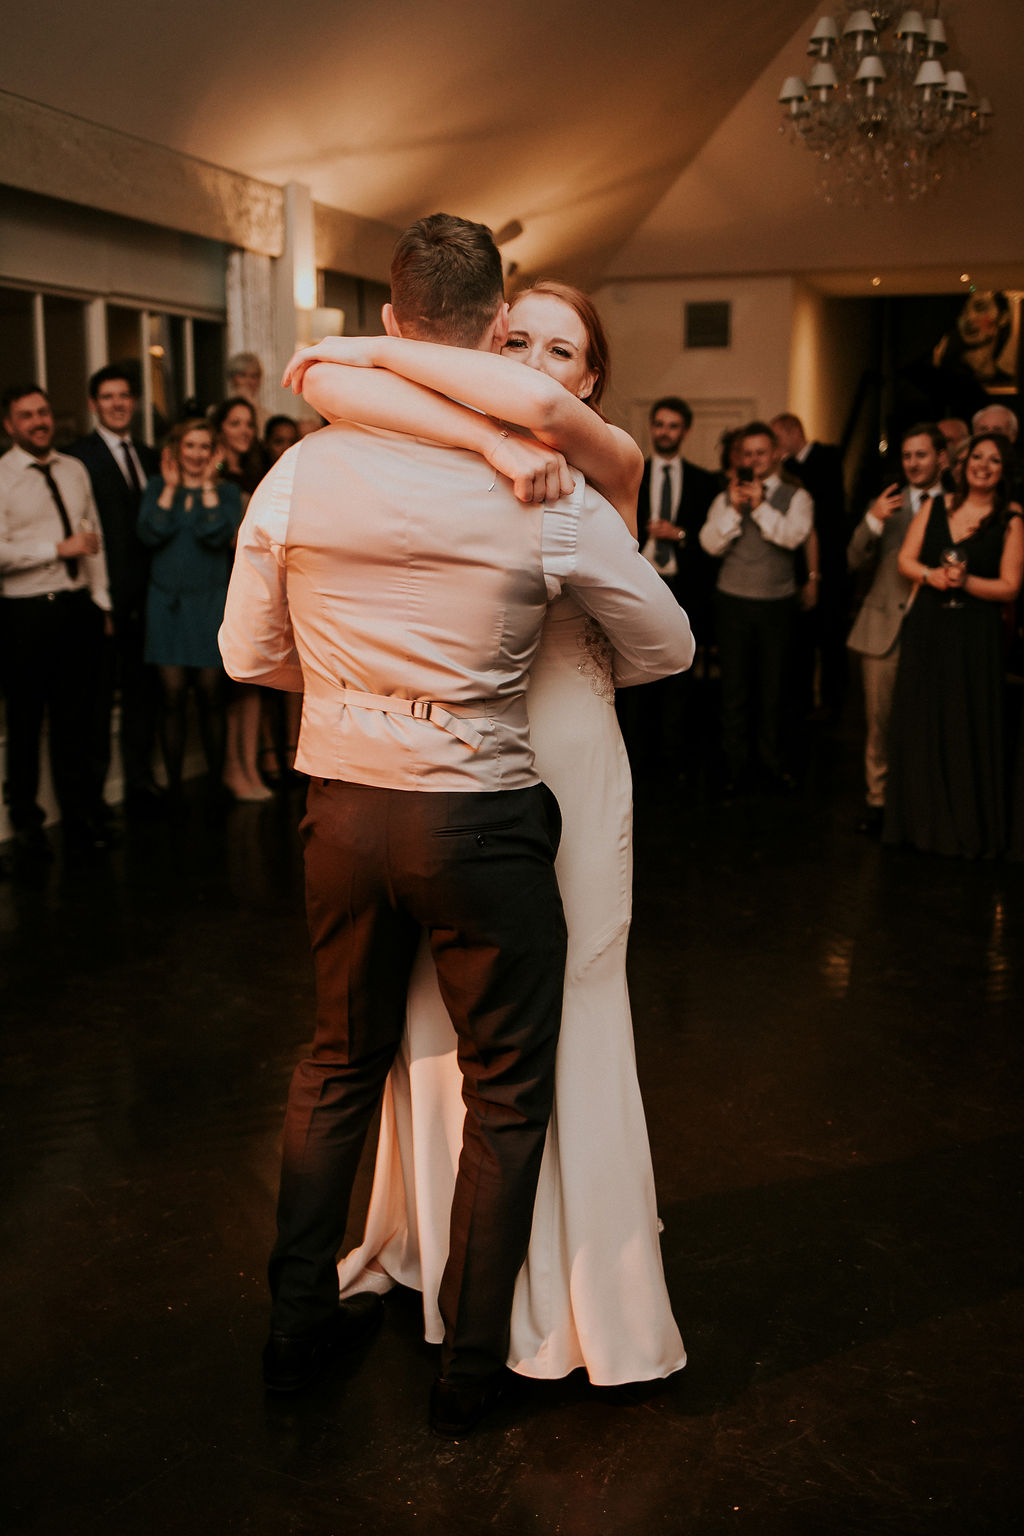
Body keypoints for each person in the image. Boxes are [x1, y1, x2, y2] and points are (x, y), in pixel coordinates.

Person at [220, 214, 694, 1437]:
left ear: (393, 322)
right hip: (479, 815)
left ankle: (294, 1327)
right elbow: (667, 643)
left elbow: (246, 654)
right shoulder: (544, 495)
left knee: (338, 1062)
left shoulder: (297, 472)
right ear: (491, 335)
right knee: (506, 1087)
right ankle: (471, 1371)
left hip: (340, 808)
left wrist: (356, 694)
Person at [884, 432, 1024, 857]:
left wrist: (967, 582)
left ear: (1004, 471)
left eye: (994, 460)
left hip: (975, 635)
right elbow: (905, 560)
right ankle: (919, 826)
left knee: (966, 723)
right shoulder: (935, 505)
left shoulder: (1011, 519)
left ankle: (964, 829)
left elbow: (1010, 586)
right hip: (928, 626)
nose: (983, 465)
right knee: (921, 720)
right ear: (963, 465)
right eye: (977, 457)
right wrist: (933, 577)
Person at [0, 384, 112, 862]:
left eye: (43, 412)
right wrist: (55, 550)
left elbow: (93, 536)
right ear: (9, 425)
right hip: (24, 613)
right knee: (26, 722)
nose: (39, 421)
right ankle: (27, 825)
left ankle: (79, 817)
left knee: (75, 722)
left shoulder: (74, 469)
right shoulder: (2, 477)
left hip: (76, 609)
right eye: (27, 415)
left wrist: (101, 602)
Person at [67, 365, 163, 818]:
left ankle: (140, 783)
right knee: (98, 703)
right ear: (93, 405)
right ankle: (94, 801)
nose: (118, 403)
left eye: (124, 395)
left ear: (135, 402)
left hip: (150, 600)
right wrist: (99, 600)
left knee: (145, 697)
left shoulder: (150, 456)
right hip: (104, 601)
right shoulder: (77, 458)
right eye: (108, 397)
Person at [699, 421, 813, 793]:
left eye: (761, 452)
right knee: (734, 690)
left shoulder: (797, 496)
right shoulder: (725, 498)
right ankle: (734, 767)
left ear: (776, 453)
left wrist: (760, 506)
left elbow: (793, 537)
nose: (753, 460)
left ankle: (772, 764)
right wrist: (735, 509)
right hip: (732, 602)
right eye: (747, 454)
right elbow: (709, 544)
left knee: (773, 689)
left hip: (777, 605)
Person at [846, 424, 947, 835]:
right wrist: (872, 520)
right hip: (883, 626)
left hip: (935, 625)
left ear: (942, 458)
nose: (913, 463)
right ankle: (878, 801)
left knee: (928, 719)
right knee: (880, 722)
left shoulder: (956, 505)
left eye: (921, 455)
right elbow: (853, 559)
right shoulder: (887, 504)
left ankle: (923, 804)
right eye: (907, 456)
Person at [138, 418, 242, 806]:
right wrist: (169, 489)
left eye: (204, 447)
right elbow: (149, 532)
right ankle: (174, 790)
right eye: (190, 446)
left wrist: (209, 488)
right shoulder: (156, 487)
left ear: (214, 453)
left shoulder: (227, 492)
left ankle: (215, 787)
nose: (196, 454)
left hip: (210, 605)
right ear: (176, 449)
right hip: (166, 606)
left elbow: (217, 534)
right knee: (172, 698)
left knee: (211, 698)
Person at [616, 396, 718, 782]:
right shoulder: (630, 471)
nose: (664, 432)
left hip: (682, 587)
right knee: (636, 673)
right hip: (639, 583)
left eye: (673, 426)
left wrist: (681, 535)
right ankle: (636, 761)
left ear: (685, 431)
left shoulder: (704, 481)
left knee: (678, 675)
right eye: (659, 424)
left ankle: (673, 761)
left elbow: (712, 544)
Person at [210, 396, 271, 801]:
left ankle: (251, 768)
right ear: (220, 429)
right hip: (222, 584)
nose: (244, 431)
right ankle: (234, 769)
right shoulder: (213, 479)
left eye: (248, 423)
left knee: (253, 681)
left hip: (257, 583)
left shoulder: (256, 473)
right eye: (235, 423)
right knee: (232, 681)